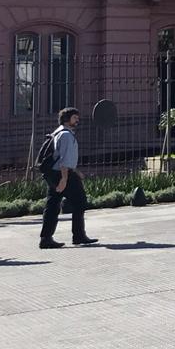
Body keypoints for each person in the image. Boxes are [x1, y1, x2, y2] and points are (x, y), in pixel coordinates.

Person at [39, 107, 98, 250]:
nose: (77, 120)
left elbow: (60, 157)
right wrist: (65, 179)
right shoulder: (65, 135)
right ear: (66, 119)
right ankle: (78, 236)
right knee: (80, 202)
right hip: (63, 173)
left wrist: (76, 171)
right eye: (74, 118)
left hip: (56, 173)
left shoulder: (58, 133)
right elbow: (64, 160)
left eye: (77, 118)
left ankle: (46, 238)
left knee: (52, 205)